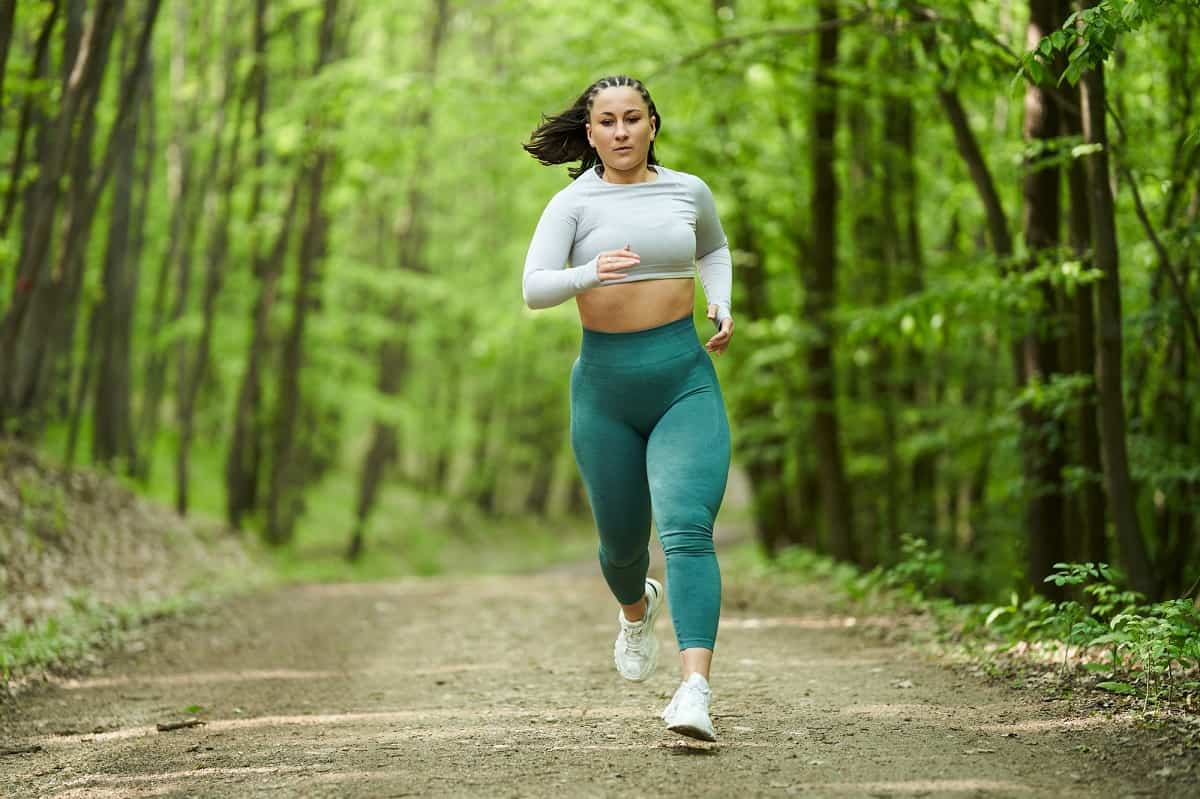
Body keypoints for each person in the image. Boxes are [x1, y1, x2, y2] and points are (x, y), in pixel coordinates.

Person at [520, 75, 734, 742]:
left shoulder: (687, 190)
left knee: (687, 528)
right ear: (589, 133)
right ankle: (635, 607)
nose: (620, 131)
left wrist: (720, 300)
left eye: (631, 118)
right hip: (605, 392)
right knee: (620, 547)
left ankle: (695, 689)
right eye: (606, 121)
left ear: (651, 124)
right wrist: (591, 273)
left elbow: (713, 248)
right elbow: (533, 287)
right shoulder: (572, 204)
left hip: (683, 381)